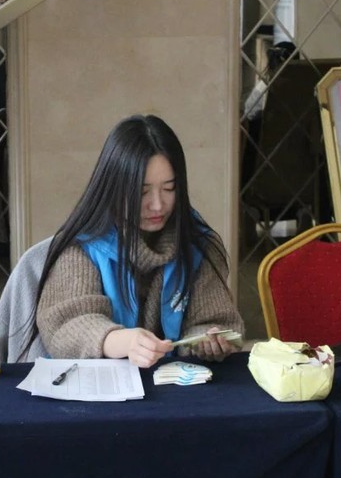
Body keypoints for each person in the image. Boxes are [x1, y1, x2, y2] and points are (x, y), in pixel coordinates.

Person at [35, 114, 244, 368]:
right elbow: (67, 326)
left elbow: (213, 320)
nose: (157, 205)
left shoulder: (198, 244)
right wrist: (122, 341)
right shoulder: (82, 246)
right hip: (94, 387)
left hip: (172, 385)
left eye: (169, 189)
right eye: (142, 192)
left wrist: (207, 338)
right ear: (114, 188)